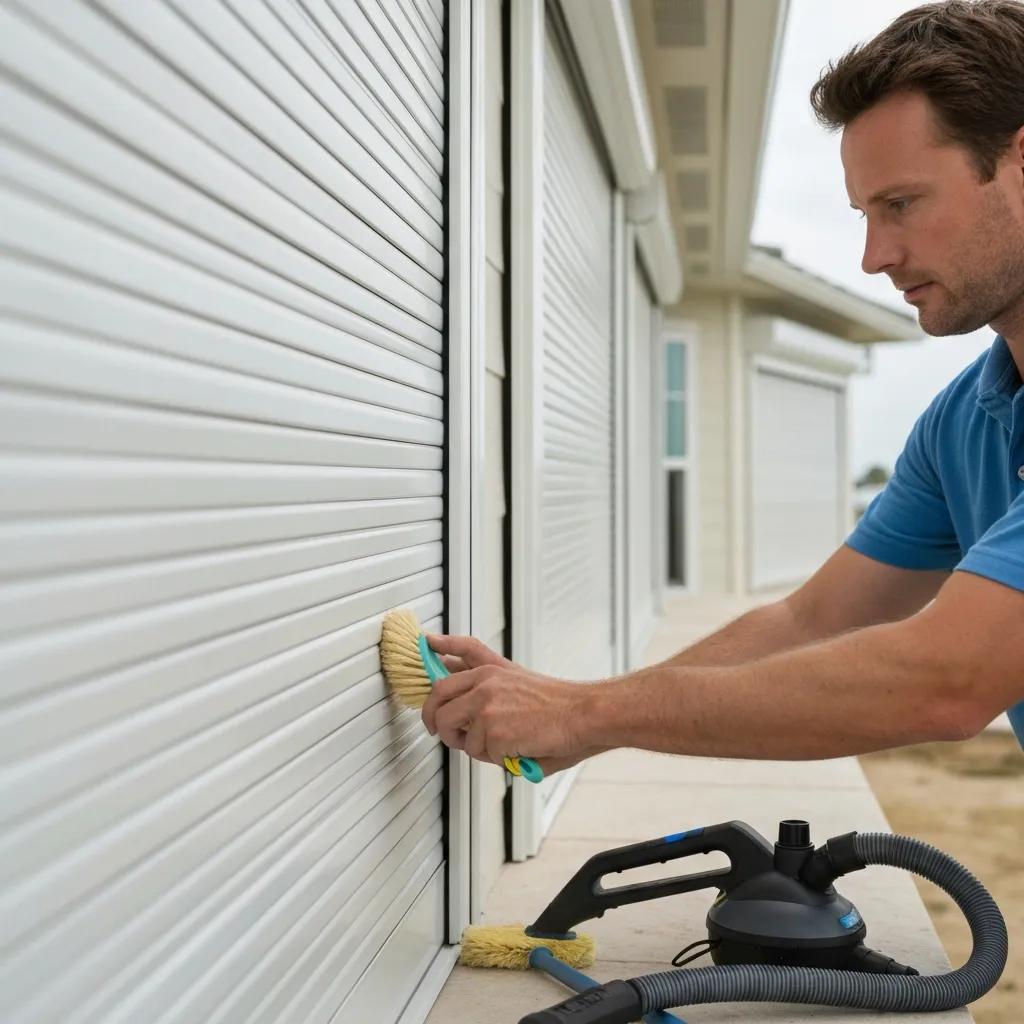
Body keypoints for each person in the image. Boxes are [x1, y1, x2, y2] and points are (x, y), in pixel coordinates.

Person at [421, 0, 1024, 774]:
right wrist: (572, 705)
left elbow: (948, 678)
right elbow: (813, 620)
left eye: (900, 204)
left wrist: (588, 714)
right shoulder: (964, 422)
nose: (874, 256)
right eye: (864, 214)